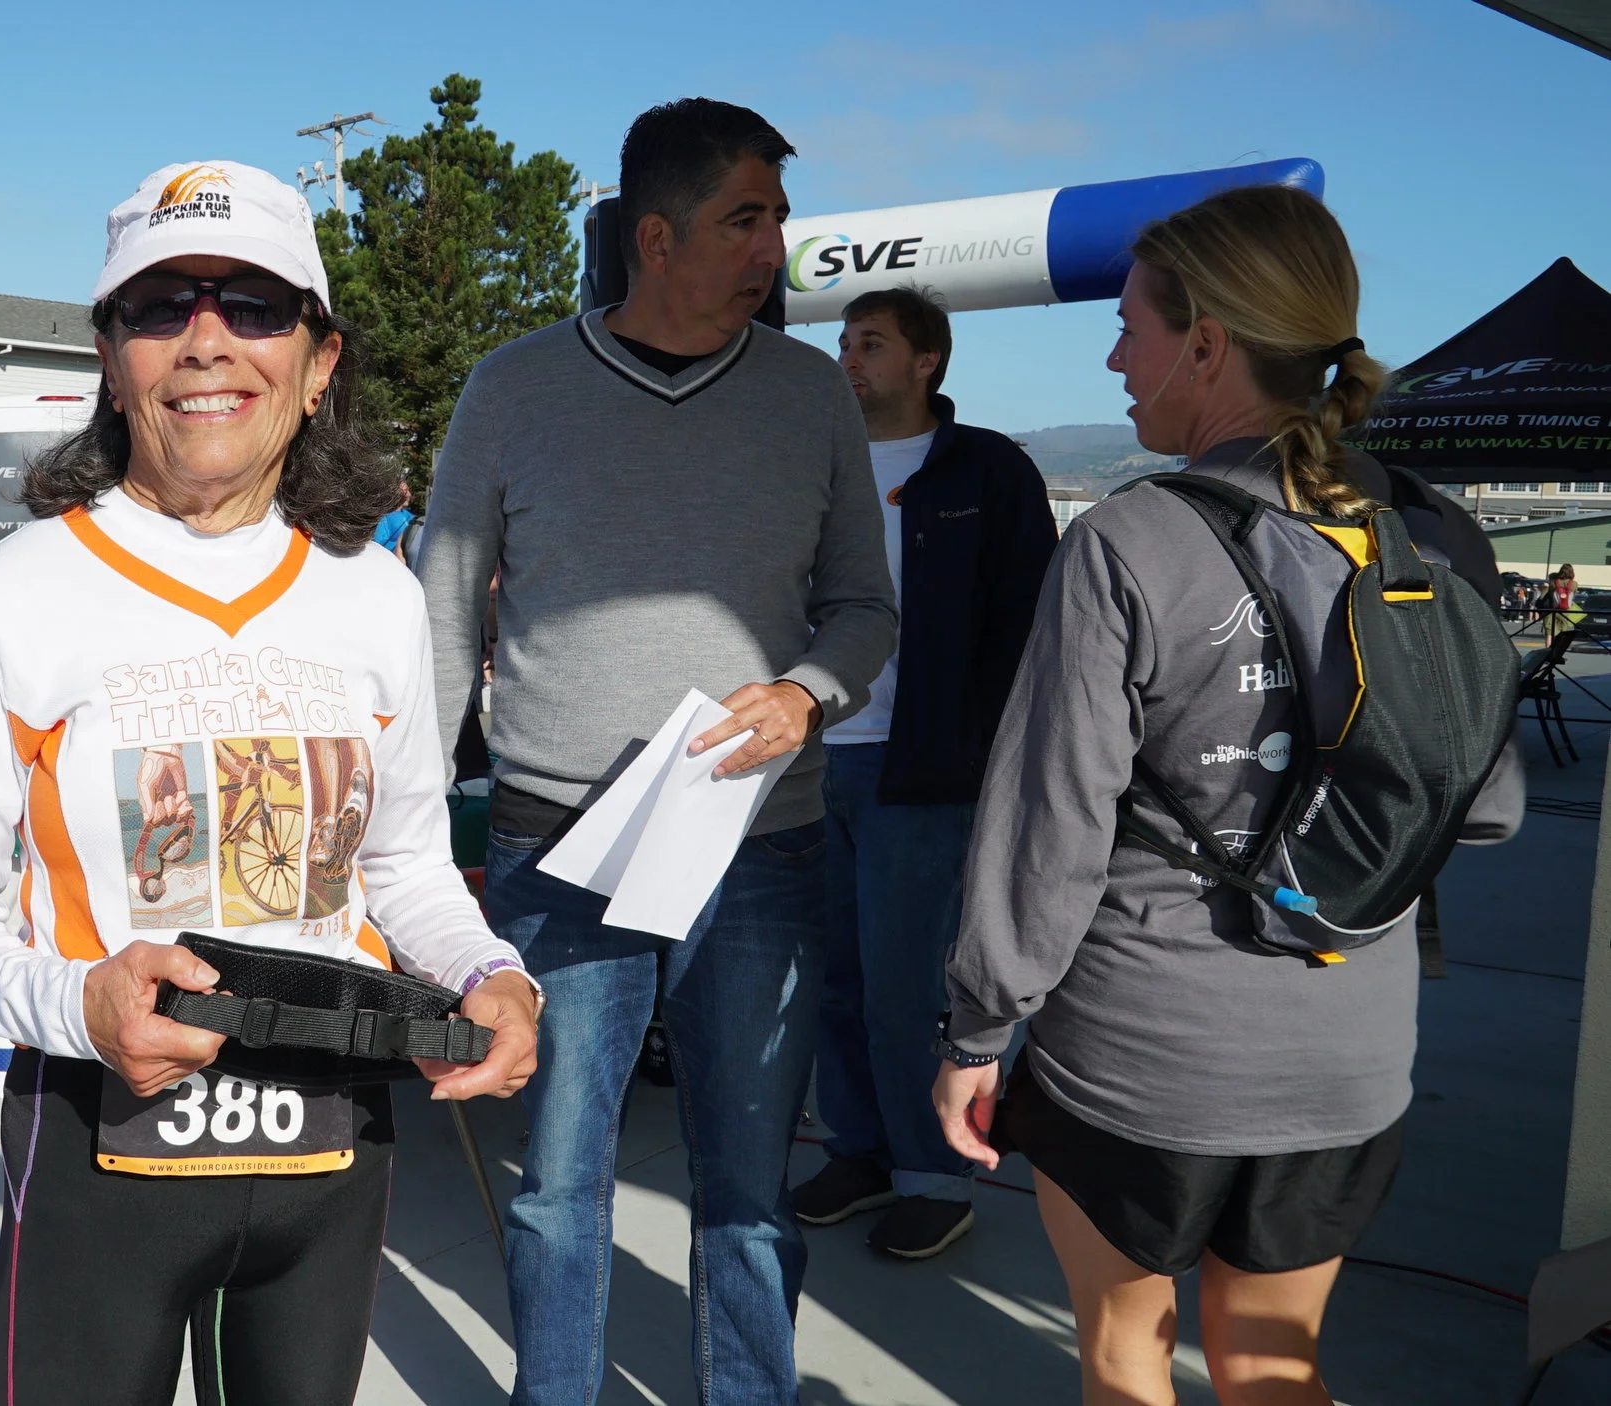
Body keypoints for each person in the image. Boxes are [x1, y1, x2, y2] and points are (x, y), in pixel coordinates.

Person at [0, 158, 541, 1406]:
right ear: (110, 355)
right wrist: (78, 1004)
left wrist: (488, 971)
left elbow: (403, 864)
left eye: (253, 306)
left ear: (318, 359)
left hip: (328, 1151)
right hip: (99, 1150)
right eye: (159, 307)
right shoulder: (18, 593)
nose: (206, 341)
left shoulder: (377, 593)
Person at [932, 185, 1523, 1406]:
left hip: (1144, 1058)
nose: (1114, 359)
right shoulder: (1431, 534)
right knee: (1272, 1370)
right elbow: (1485, 805)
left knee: (1124, 1358)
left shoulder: (1129, 540)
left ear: (1203, 345)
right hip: (1350, 1052)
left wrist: (980, 1029)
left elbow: (1049, 830)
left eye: (1128, 327)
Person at [417, 99, 897, 1405]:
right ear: (656, 236)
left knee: (748, 1188)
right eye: (747, 218)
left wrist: (804, 692)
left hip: (758, 843)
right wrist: (409, 842)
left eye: (779, 218)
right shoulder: (514, 386)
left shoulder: (810, 393)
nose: (776, 248)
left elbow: (865, 605)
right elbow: (443, 614)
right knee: (557, 1181)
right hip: (555, 847)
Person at [791, 286, 1057, 1260]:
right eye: (844, 342)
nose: (849, 360)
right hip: (809, 759)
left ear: (927, 360)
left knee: (907, 990)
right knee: (832, 980)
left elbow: (1029, 622)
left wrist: (986, 752)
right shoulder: (813, 462)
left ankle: (934, 1174)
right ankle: (859, 1150)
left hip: (923, 775)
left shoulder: (987, 470)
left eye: (871, 343)